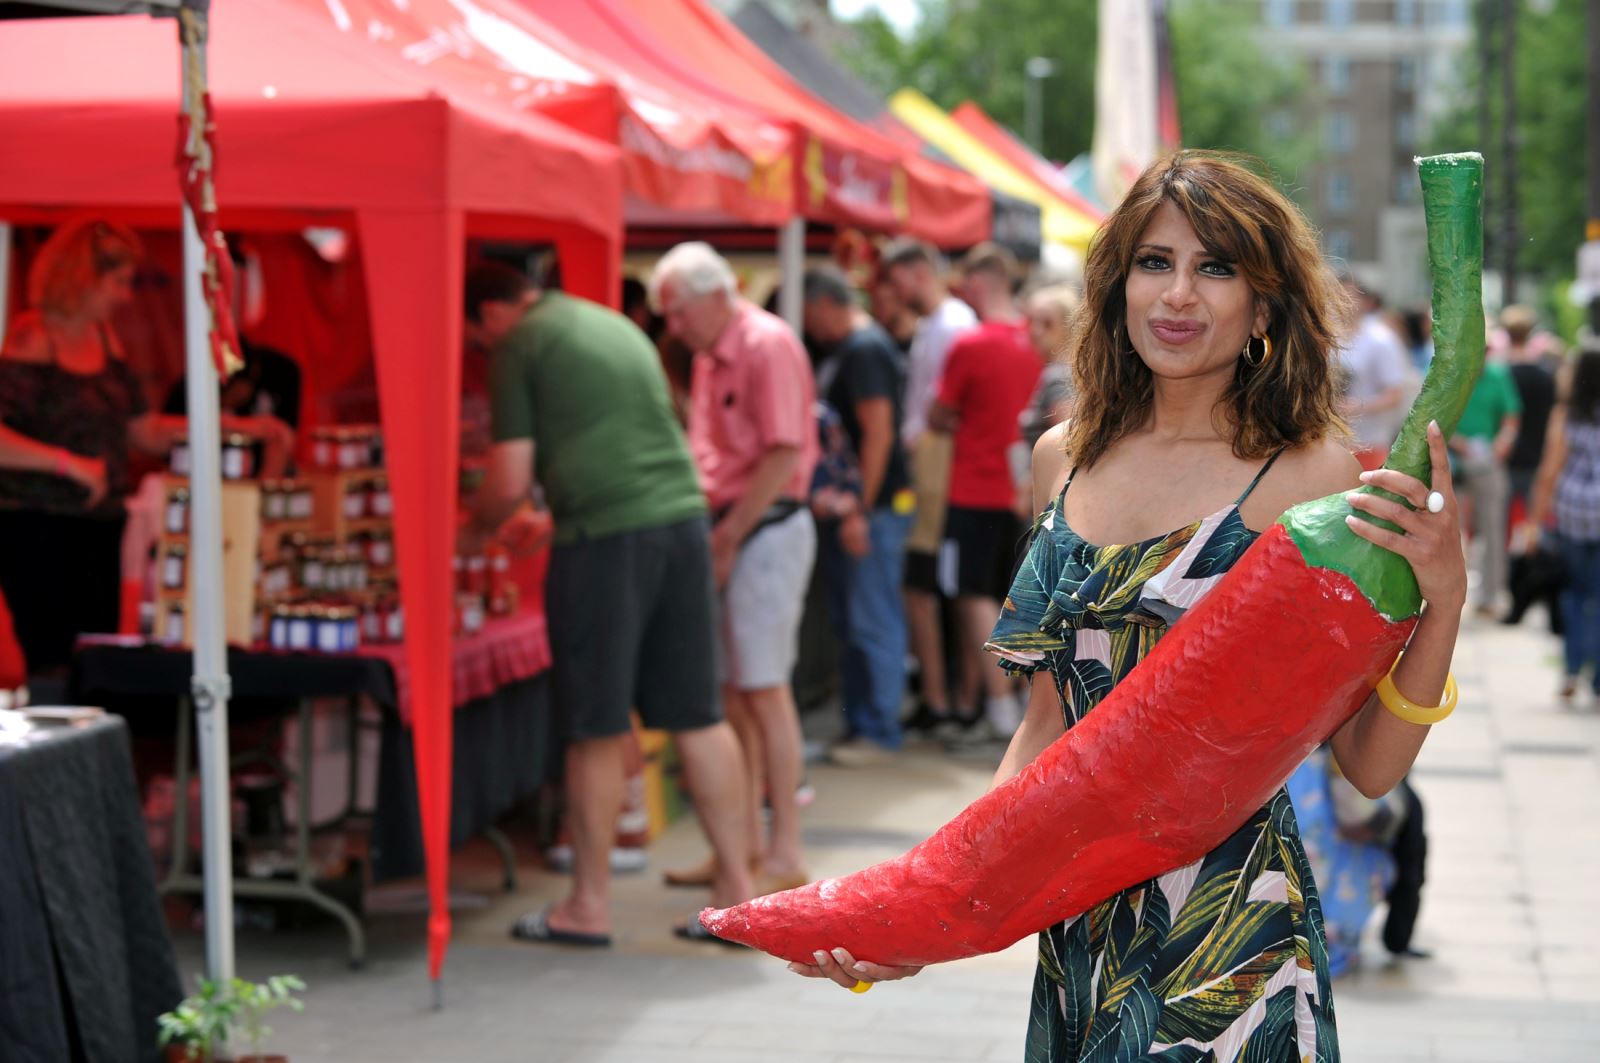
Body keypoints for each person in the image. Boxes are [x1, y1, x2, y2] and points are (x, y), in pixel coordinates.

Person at [790, 151, 1465, 1062]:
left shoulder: (1308, 475)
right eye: (1155, 262)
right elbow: (1043, 729)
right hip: (1082, 931)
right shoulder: (1058, 460)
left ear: (1263, 306)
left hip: (1232, 935)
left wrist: (1445, 600)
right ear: (1116, 287)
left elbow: (1367, 765)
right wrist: (939, 905)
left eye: (1214, 267)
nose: (1178, 295)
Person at [460, 260, 756, 946]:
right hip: (679, 521)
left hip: (607, 537)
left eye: (476, 337)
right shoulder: (608, 322)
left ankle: (587, 905)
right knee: (698, 714)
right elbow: (621, 440)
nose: (480, 350)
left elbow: (507, 475)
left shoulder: (520, 342)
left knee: (593, 722)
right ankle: (737, 896)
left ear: (492, 313)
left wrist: (473, 528)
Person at [0, 219, 280, 678]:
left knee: (96, 656)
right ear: (83, 277)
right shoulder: (34, 338)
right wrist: (68, 465)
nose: (126, 296)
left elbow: (143, 430)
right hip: (38, 528)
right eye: (119, 282)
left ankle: (90, 747)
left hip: (100, 525)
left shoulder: (104, 338)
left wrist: (228, 424)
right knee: (52, 660)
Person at [649, 242, 819, 897]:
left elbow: (782, 454)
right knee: (736, 696)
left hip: (761, 527)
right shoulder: (712, 351)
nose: (672, 324)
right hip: (735, 525)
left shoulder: (764, 343)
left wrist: (728, 536)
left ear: (717, 296)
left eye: (678, 310)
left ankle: (783, 848)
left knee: (764, 690)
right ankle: (741, 846)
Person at [926, 244, 1041, 742]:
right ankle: (1005, 700)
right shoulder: (1035, 337)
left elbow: (938, 412)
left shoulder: (970, 345)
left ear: (979, 282)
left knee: (972, 597)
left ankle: (997, 704)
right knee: (1012, 598)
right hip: (1026, 493)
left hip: (973, 489)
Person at [802, 265, 914, 764]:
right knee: (860, 618)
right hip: (865, 507)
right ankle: (865, 724)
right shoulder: (859, 347)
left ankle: (879, 729)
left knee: (873, 618)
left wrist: (859, 509)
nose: (808, 326)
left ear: (824, 303)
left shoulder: (865, 348)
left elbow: (879, 432)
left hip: (874, 508)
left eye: (808, 314)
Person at [880, 238, 979, 736]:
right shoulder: (939, 325)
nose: (891, 293)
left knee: (928, 585)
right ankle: (943, 696)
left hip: (939, 467)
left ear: (918, 273)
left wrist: (924, 443)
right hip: (932, 464)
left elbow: (946, 408)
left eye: (896, 281)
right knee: (927, 586)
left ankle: (945, 699)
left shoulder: (953, 325)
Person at [1527, 345, 1600, 702]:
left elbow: (1550, 472)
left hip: (1572, 514)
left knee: (1574, 593)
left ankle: (1571, 669)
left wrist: (1535, 521)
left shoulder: (1567, 415)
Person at [1451, 348, 1521, 617]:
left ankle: (1490, 594)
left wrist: (1502, 444)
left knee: (1493, 527)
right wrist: (1459, 443)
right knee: (1451, 530)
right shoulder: (1452, 373)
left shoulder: (1497, 375)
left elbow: (1511, 417)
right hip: (1453, 457)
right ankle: (1448, 594)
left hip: (1487, 459)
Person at [1335, 279, 1415, 469]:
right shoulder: (1325, 337)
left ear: (1365, 301)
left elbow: (1395, 394)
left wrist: (1357, 407)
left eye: (1349, 296)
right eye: (1337, 295)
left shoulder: (1381, 340)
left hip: (1369, 442)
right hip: (1332, 444)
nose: (1342, 302)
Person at [1019, 284, 1081, 449]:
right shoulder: (1072, 370)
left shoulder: (1059, 376)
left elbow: (1071, 442)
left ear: (1069, 326)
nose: (1035, 330)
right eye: (1030, 321)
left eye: (1047, 323)